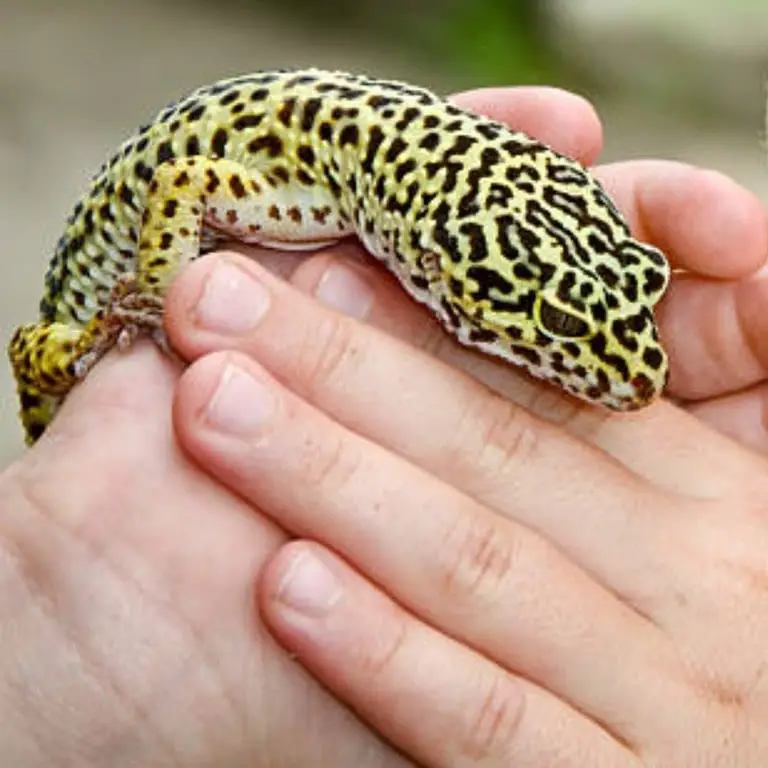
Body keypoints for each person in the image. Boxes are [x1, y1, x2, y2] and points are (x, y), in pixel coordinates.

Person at [3, 84, 768, 766]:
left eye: (642, 285)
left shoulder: (424, 183)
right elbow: (182, 181)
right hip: (81, 323)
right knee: (56, 352)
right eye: (559, 324)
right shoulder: (303, 193)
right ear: (433, 264)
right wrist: (169, 304)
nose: (640, 369)